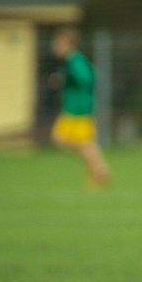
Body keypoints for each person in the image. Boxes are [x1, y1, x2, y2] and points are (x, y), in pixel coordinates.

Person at [50, 27, 110, 186]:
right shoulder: (72, 61)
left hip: (78, 109)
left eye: (59, 43)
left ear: (68, 44)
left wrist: (67, 79)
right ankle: (99, 169)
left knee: (72, 141)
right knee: (72, 142)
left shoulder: (74, 60)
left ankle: (100, 170)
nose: (56, 46)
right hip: (74, 108)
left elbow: (87, 78)